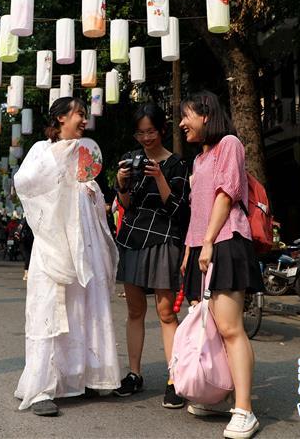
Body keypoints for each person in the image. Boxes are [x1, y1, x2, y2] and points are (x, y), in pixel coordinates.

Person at [13, 97, 121, 417]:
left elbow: (91, 194)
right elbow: (26, 183)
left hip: (82, 248)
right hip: (52, 247)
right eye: (79, 115)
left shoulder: (85, 154)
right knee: (50, 311)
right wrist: (60, 158)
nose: (84, 121)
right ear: (60, 118)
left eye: (85, 116)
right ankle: (41, 389)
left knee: (83, 310)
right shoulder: (42, 151)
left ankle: (87, 377)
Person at [179, 90, 263, 439]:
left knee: (229, 328)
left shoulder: (230, 143)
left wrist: (210, 241)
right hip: (203, 247)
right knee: (209, 327)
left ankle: (244, 410)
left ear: (206, 114)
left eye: (187, 116)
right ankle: (217, 394)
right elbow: (196, 212)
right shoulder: (199, 160)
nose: (182, 123)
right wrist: (189, 251)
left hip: (226, 242)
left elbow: (226, 195)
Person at [112, 103, 191, 407]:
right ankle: (134, 374)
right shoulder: (130, 160)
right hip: (132, 238)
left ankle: (174, 378)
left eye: (151, 132)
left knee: (166, 312)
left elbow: (178, 210)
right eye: (141, 133)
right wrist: (121, 185)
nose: (146, 138)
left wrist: (159, 177)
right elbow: (125, 204)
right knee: (134, 311)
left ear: (161, 130)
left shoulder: (177, 165)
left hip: (163, 240)